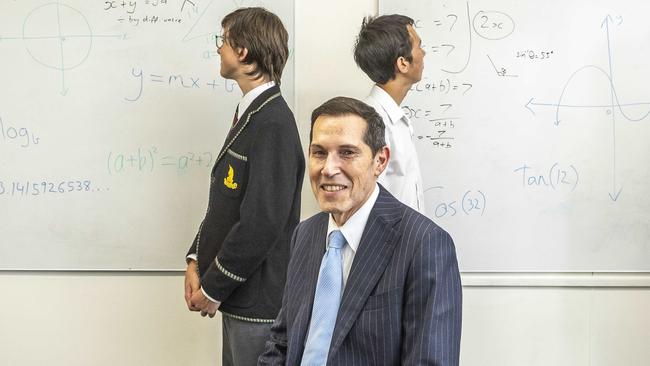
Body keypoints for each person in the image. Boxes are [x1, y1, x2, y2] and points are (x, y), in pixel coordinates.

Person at [259, 97, 462, 365]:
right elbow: (282, 341)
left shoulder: (425, 244)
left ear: (380, 161)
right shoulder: (305, 235)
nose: (328, 169)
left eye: (347, 153)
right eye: (319, 153)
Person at [183, 7, 304, 366]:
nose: (219, 50)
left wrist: (213, 287)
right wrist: (195, 259)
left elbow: (262, 222)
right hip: (240, 298)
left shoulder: (273, 122)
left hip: (258, 306)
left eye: (223, 41)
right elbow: (225, 204)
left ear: (243, 51)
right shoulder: (254, 114)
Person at [354, 14, 427, 213]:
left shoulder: (395, 119)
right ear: (403, 63)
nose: (424, 53)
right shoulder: (371, 122)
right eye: (419, 46)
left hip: (410, 241)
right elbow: (367, 205)